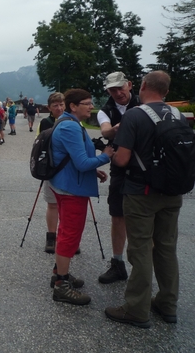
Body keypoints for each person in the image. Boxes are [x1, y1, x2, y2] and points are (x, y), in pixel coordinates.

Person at [105, 71, 184, 328]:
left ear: (142, 86)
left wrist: (113, 156)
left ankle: (137, 309)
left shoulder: (135, 115)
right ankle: (167, 304)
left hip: (141, 193)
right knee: (166, 247)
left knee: (140, 250)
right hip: (173, 193)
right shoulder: (178, 115)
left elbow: (124, 159)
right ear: (167, 91)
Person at [48, 89, 114, 305]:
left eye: (91, 102)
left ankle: (60, 273)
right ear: (73, 106)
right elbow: (82, 163)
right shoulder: (70, 126)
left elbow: (75, 158)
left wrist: (93, 170)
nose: (91, 106)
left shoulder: (69, 123)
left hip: (66, 184)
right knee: (70, 234)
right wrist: (105, 157)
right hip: (71, 190)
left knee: (66, 231)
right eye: (86, 103)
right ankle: (61, 285)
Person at [96, 71, 140, 284]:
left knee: (144, 217)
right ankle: (118, 262)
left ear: (129, 85)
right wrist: (117, 129)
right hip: (120, 169)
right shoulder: (106, 110)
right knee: (117, 214)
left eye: (120, 87)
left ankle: (142, 268)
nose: (117, 92)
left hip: (145, 168)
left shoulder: (144, 103)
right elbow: (105, 132)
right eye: (112, 90)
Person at [37, 92, 65, 254]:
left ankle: (67, 237)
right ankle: (51, 236)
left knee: (68, 206)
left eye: (61, 105)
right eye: (55, 105)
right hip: (52, 168)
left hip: (70, 168)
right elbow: (38, 144)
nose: (59, 108)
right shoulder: (45, 122)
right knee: (53, 203)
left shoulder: (75, 121)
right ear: (49, 107)